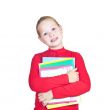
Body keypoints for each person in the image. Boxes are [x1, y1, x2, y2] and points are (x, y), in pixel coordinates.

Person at [28, 16, 91, 110]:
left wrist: (52, 94)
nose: (51, 34)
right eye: (45, 33)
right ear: (40, 39)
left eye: (53, 29)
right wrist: (67, 78)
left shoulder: (76, 56)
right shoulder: (38, 58)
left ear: (60, 29)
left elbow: (85, 85)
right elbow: (34, 84)